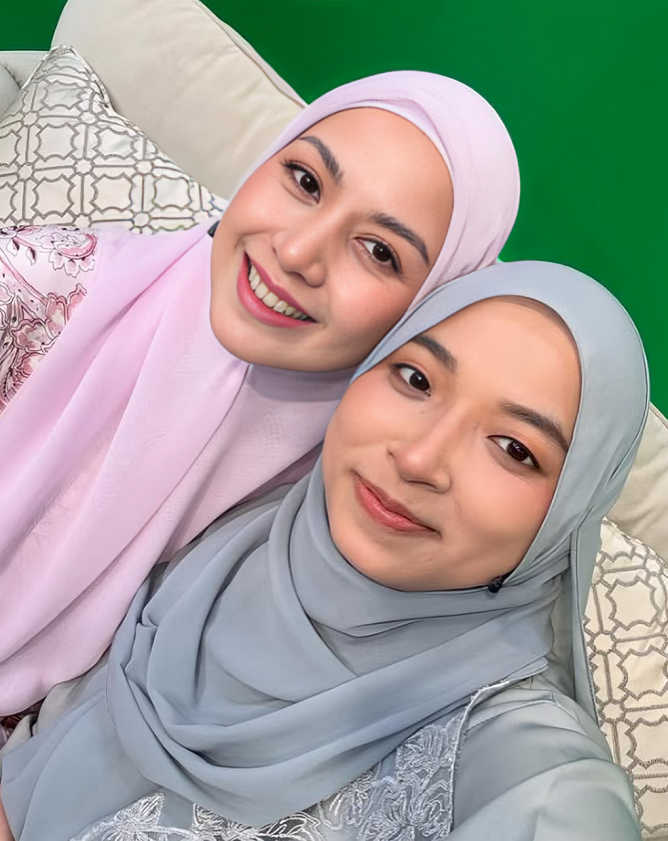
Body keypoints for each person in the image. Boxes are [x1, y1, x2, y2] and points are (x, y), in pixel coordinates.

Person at [0, 259, 647, 840]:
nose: (419, 459)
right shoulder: (227, 524)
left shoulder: (535, 780)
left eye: (514, 448)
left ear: (567, 515)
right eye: (416, 378)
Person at [0, 71, 520, 717]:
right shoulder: (42, 286)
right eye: (305, 181)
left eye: (379, 251)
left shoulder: (351, 504)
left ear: (423, 310)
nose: (298, 252)